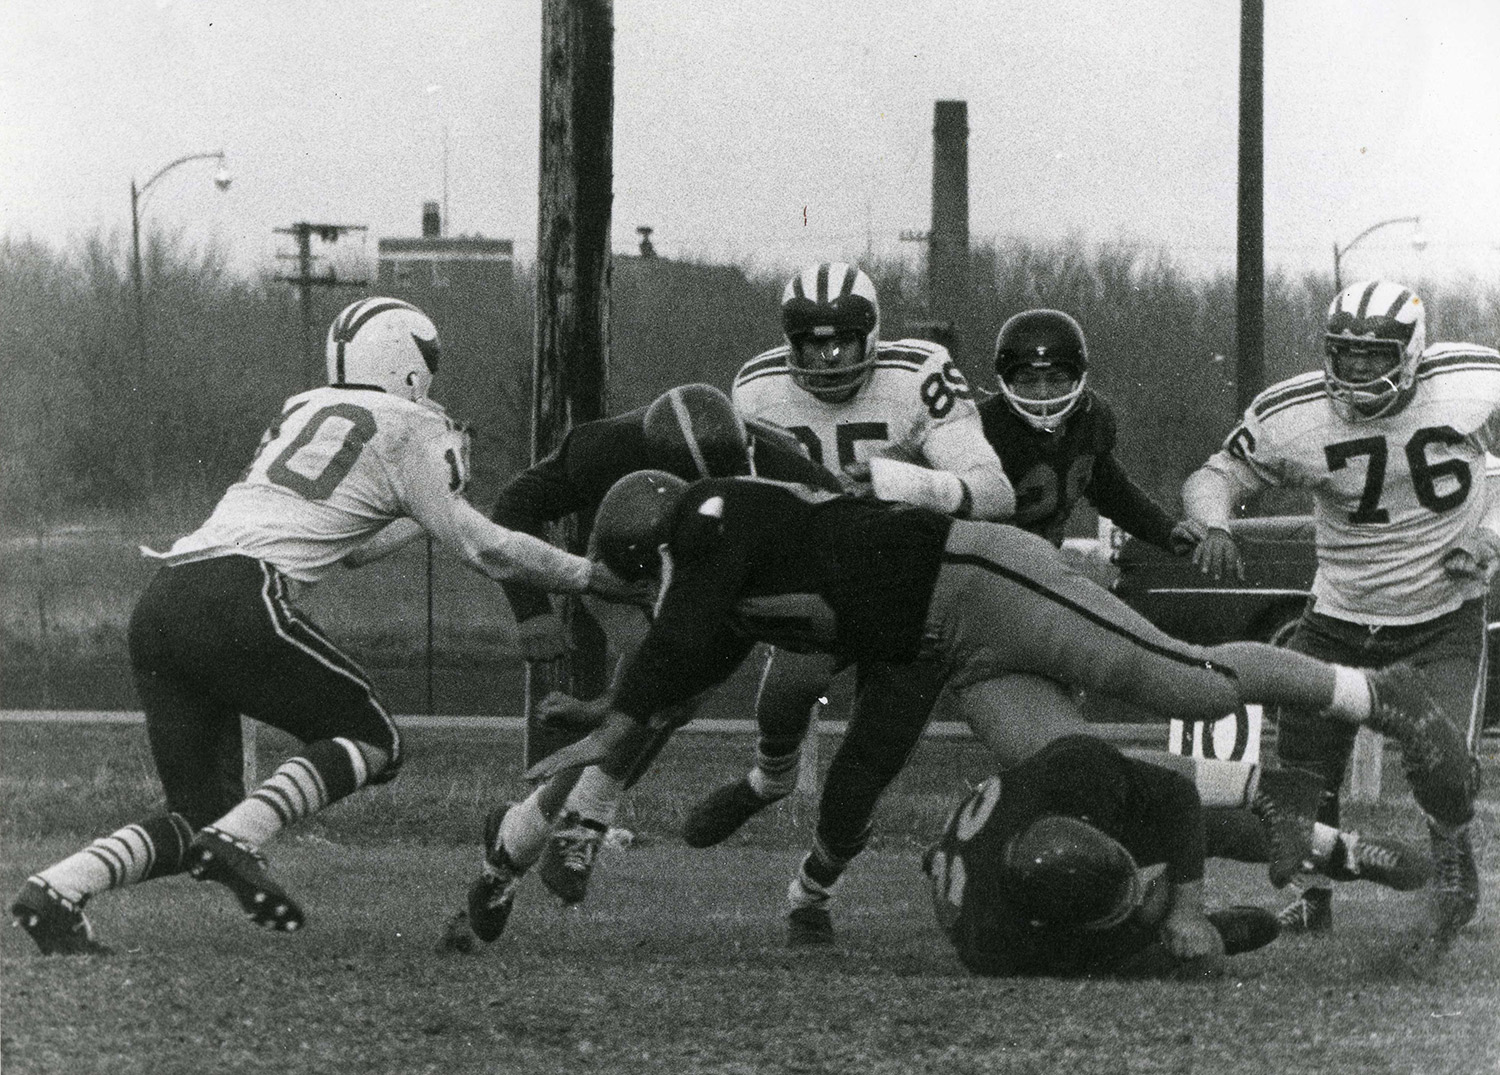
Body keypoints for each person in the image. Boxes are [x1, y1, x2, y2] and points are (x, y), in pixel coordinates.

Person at [503, 470, 1473, 952]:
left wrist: (612, 714)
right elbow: (685, 661)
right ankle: (1330, 852)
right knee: (1087, 781)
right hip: (952, 651)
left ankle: (1381, 697)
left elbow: (677, 635)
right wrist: (614, 712)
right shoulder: (715, 586)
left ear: (653, 547)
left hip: (983, 581)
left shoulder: (714, 518)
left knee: (1189, 680)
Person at [9, 297, 639, 955]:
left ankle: (55, 890)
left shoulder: (301, 408)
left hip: (164, 601)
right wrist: (590, 574)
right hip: (238, 596)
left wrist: (429, 508)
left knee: (198, 812)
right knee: (375, 740)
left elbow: (359, 541)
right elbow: (488, 548)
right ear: (412, 365)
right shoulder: (412, 425)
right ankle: (237, 841)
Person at [677, 261, 1015, 943]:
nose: (828, 356)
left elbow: (994, 490)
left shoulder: (918, 373)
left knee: (864, 768)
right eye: (812, 341)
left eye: (842, 340)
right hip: (826, 582)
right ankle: (770, 780)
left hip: (915, 585)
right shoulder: (757, 387)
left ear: (872, 336)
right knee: (784, 696)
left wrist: (897, 481)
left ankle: (813, 887)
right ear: (791, 341)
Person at [1181, 279, 1496, 948]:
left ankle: (1450, 853)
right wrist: (1215, 523)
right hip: (1339, 614)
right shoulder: (1294, 412)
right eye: (1344, 355)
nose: (1355, 371)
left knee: (1445, 766)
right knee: (1303, 767)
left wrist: (1491, 535)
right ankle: (1313, 893)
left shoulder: (1474, 383)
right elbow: (1214, 476)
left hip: (1441, 615)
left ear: (1412, 354)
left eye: (1373, 355)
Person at [482, 382, 843, 909]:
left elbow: (838, 527)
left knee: (670, 701)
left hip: (722, 573)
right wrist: (531, 610)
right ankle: (582, 822)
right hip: (627, 565)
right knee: (647, 685)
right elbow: (514, 505)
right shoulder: (602, 449)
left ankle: (523, 832)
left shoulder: (783, 466)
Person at [923, 735, 1288, 978]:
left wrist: (1186, 908)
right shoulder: (992, 942)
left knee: (1194, 827)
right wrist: (1180, 938)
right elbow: (1095, 956)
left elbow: (1178, 794)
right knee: (1142, 959)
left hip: (1033, 812)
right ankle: (1213, 928)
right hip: (991, 867)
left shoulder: (1078, 774)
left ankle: (1320, 845)